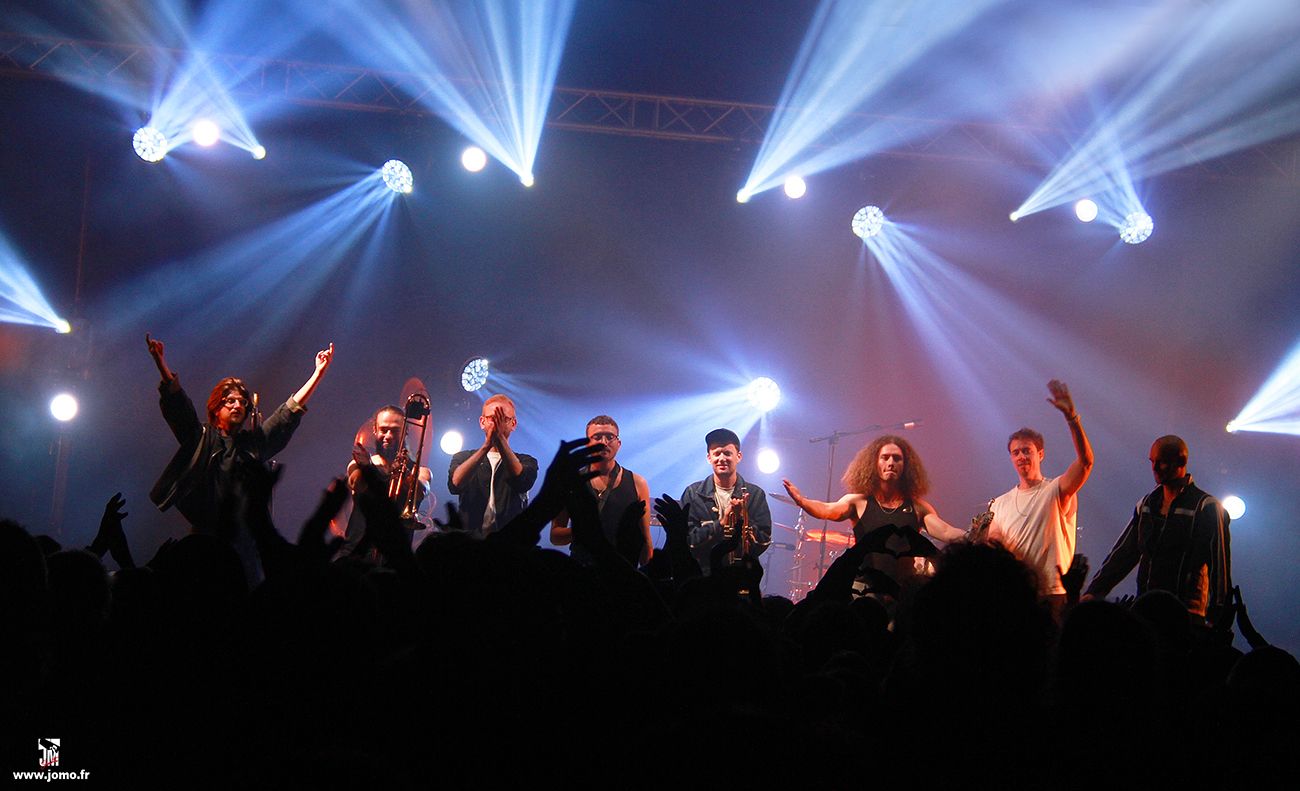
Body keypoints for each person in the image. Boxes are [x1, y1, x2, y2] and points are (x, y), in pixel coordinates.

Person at [145, 333, 333, 583]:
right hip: (207, 537)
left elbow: (287, 413)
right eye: (230, 401)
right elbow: (179, 406)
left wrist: (317, 374)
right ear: (216, 408)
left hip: (245, 542)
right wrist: (161, 364)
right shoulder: (201, 438)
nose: (237, 406)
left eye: (242, 402)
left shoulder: (253, 444)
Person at [782, 434, 965, 596]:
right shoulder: (858, 502)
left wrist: (977, 531)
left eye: (897, 458)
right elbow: (827, 509)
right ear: (874, 463)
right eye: (885, 457)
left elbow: (947, 532)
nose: (891, 463)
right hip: (863, 590)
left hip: (902, 591)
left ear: (906, 466)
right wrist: (802, 501)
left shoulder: (918, 507)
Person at [1083, 435, 1232, 627]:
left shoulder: (1206, 507)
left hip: (1185, 617)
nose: (1154, 468)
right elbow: (1123, 554)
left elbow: (1219, 568)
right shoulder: (1147, 504)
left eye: (1162, 462)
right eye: (1152, 461)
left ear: (1181, 461)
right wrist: (1094, 591)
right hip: (1145, 611)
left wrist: (1218, 618)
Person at [987, 379, 1093, 619]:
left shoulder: (1057, 489)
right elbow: (994, 549)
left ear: (1040, 454)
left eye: (1027, 450)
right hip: (1019, 595)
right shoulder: (999, 504)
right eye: (1016, 452)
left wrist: (1072, 418)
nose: (1021, 456)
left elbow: (1086, 463)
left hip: (1054, 593)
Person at [549, 415, 653, 567]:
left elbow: (646, 541)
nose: (604, 442)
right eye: (597, 437)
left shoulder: (638, 484)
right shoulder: (569, 482)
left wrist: (647, 575)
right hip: (582, 570)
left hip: (623, 572)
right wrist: (581, 531)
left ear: (618, 443)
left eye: (610, 437)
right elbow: (555, 536)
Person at [339, 404, 433, 561]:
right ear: (375, 430)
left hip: (394, 558)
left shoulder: (421, 471)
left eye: (395, 431)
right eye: (383, 430)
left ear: (405, 431)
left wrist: (404, 472)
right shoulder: (358, 464)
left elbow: (421, 491)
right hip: (356, 554)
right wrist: (367, 468)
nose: (388, 436)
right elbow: (357, 484)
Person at [679, 428, 772, 573]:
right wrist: (722, 523)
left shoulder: (755, 494)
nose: (722, 458)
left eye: (727, 453)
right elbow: (686, 542)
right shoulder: (692, 494)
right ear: (709, 458)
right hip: (702, 577)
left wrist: (742, 520)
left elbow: (764, 541)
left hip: (741, 576)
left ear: (739, 456)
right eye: (716, 453)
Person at [447, 394, 538, 538]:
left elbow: (521, 481)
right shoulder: (463, 457)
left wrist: (499, 438)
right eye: (492, 418)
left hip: (509, 542)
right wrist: (487, 445)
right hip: (469, 541)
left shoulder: (526, 460)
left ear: (513, 424)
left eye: (503, 419)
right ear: (482, 422)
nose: (497, 424)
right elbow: (456, 483)